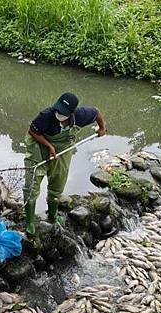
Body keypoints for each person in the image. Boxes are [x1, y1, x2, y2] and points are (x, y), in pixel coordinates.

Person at [24, 92, 106, 236]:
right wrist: (49, 146)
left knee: (58, 180)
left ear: (72, 112)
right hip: (39, 147)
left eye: (63, 112)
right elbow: (33, 131)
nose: (59, 113)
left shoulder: (80, 115)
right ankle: (30, 221)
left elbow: (96, 112)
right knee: (32, 183)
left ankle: (52, 215)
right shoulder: (46, 115)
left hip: (62, 149)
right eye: (58, 109)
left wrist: (102, 128)